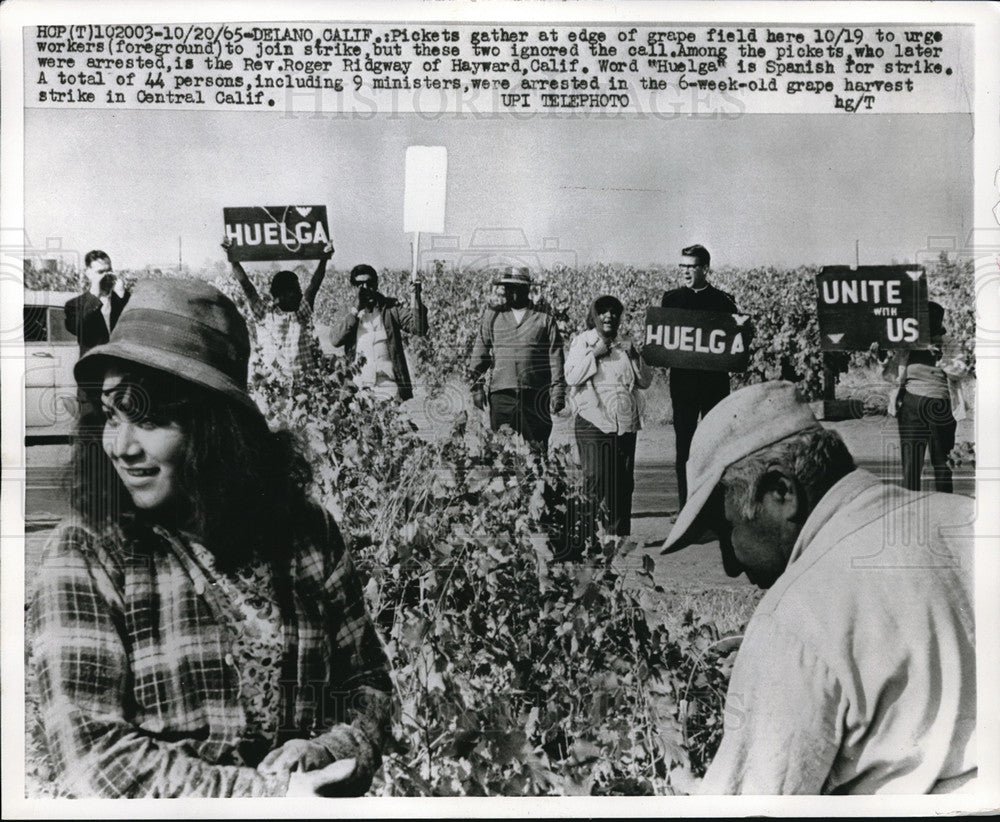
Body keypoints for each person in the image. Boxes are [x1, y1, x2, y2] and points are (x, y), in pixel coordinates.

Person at [27, 279, 393, 798]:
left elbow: (368, 684)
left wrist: (329, 750)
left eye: (150, 419)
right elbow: (95, 758)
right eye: (112, 416)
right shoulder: (88, 555)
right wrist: (267, 798)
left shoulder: (306, 537)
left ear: (214, 425)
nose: (122, 446)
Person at [661, 381, 976, 794]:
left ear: (781, 492)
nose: (730, 564)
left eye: (727, 531)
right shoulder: (968, 520)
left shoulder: (793, 620)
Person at [564, 295, 651, 550]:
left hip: (624, 421)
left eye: (614, 312)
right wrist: (595, 354)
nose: (608, 316)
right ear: (594, 316)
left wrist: (635, 356)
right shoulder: (583, 342)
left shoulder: (627, 345)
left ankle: (617, 537)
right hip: (593, 419)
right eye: (602, 312)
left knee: (623, 480)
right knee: (595, 477)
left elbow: (646, 381)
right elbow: (571, 376)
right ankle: (584, 535)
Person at [660, 244, 738, 505]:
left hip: (714, 386)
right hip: (682, 386)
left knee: (715, 446)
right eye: (682, 266)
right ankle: (687, 507)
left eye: (691, 267)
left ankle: (713, 508)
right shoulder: (669, 300)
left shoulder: (723, 301)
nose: (685, 272)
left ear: (705, 269)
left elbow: (735, 342)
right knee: (684, 447)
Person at [469, 267, 566, 454]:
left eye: (518, 287)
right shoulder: (493, 316)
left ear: (528, 289)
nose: (513, 291)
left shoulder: (544, 318)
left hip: (535, 395)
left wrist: (558, 393)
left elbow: (556, 358)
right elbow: (480, 353)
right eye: (509, 287)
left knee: (536, 452)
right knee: (501, 451)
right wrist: (477, 387)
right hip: (501, 395)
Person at [221, 237, 333, 384]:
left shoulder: (301, 312)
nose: (301, 294)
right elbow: (246, 286)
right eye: (296, 290)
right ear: (282, 294)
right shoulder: (265, 314)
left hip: (306, 384)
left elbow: (314, 285)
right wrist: (233, 259)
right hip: (277, 386)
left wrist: (324, 258)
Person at [892, 301, 968, 493]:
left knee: (942, 462)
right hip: (911, 404)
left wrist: (941, 357)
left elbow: (959, 372)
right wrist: (882, 359)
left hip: (940, 405)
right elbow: (893, 376)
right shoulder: (908, 344)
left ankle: (944, 505)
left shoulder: (949, 343)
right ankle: (910, 504)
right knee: (911, 464)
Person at [329, 264, 428, 402]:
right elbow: (335, 340)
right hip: (358, 387)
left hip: (389, 386)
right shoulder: (348, 312)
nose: (365, 289)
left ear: (376, 285)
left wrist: (416, 297)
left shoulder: (390, 308)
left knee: (396, 422)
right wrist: (355, 310)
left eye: (369, 283)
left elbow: (419, 329)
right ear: (353, 288)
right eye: (359, 285)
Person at [64, 250, 130, 355]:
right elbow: (77, 328)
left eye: (109, 270)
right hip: (94, 366)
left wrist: (122, 295)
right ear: (88, 273)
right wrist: (94, 296)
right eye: (100, 272)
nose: (106, 276)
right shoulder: (74, 304)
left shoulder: (122, 298)